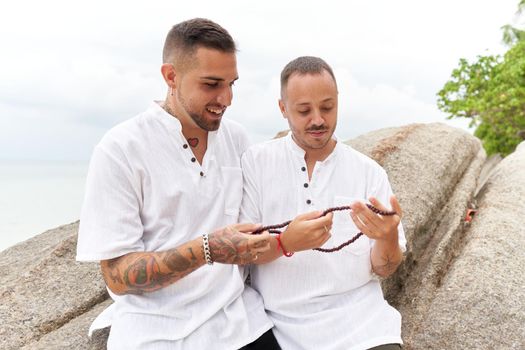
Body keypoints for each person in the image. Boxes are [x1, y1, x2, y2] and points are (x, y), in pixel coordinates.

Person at [76, 18, 282, 349]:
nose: (226, 98)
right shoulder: (121, 149)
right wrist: (207, 249)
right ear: (171, 76)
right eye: (212, 84)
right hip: (155, 332)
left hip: (240, 321)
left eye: (231, 83)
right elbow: (116, 274)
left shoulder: (237, 138)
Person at [240, 56, 407, 350]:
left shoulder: (368, 172)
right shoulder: (256, 163)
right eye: (304, 110)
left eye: (327, 107)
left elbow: (385, 267)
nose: (318, 119)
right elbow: (240, 253)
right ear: (283, 108)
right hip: (277, 326)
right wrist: (286, 243)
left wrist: (388, 236)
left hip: (362, 326)